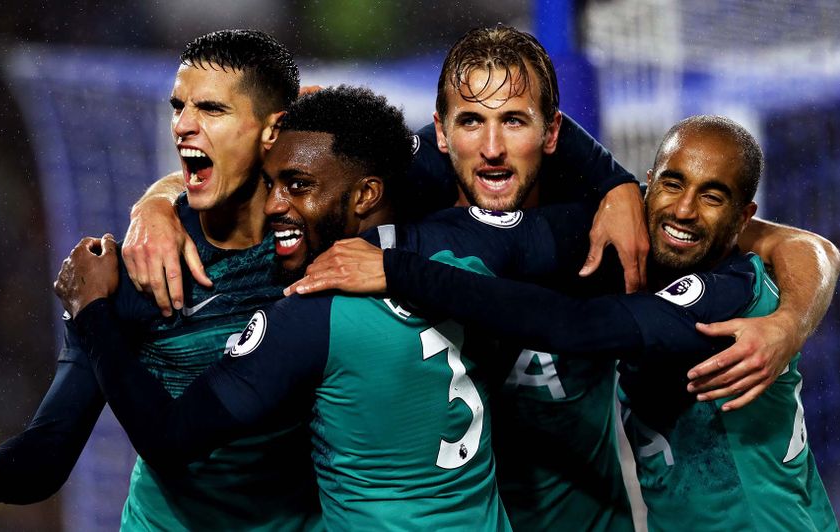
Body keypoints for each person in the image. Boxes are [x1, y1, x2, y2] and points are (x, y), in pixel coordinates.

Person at [122, 25, 840, 531]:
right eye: (470, 122)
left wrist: (789, 321)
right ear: (440, 134)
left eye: (515, 122)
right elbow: (274, 179)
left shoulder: (611, 228)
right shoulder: (404, 199)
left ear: (550, 133)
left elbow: (796, 244)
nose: (491, 148)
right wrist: (159, 201)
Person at [55, 85, 607, 530]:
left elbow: (170, 439)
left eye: (297, 185)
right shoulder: (467, 251)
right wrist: (621, 186)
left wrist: (92, 311)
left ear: (366, 194)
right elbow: (578, 282)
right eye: (270, 184)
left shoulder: (307, 317)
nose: (274, 205)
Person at [286, 115, 839, 531]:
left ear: (744, 217)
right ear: (647, 184)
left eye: (712, 197)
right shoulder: (635, 242)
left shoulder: (724, 295)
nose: (685, 210)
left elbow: (576, 326)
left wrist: (397, 270)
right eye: (672, 184)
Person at [0, 30, 323, 531]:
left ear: (273, 130)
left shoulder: (318, 236)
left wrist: (155, 197)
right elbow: (47, 454)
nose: (183, 125)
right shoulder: (127, 272)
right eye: (178, 107)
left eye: (211, 109)